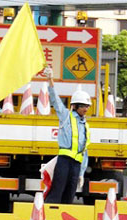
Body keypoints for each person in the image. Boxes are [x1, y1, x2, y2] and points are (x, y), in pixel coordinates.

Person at [44, 67, 91, 204]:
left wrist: (82, 173)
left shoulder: (85, 125)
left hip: (76, 165)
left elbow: (84, 151)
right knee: (57, 192)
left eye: (87, 106)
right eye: (83, 106)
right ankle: (47, 218)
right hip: (64, 161)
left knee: (69, 195)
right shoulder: (66, 116)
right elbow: (55, 100)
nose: (86, 109)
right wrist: (50, 80)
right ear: (75, 106)